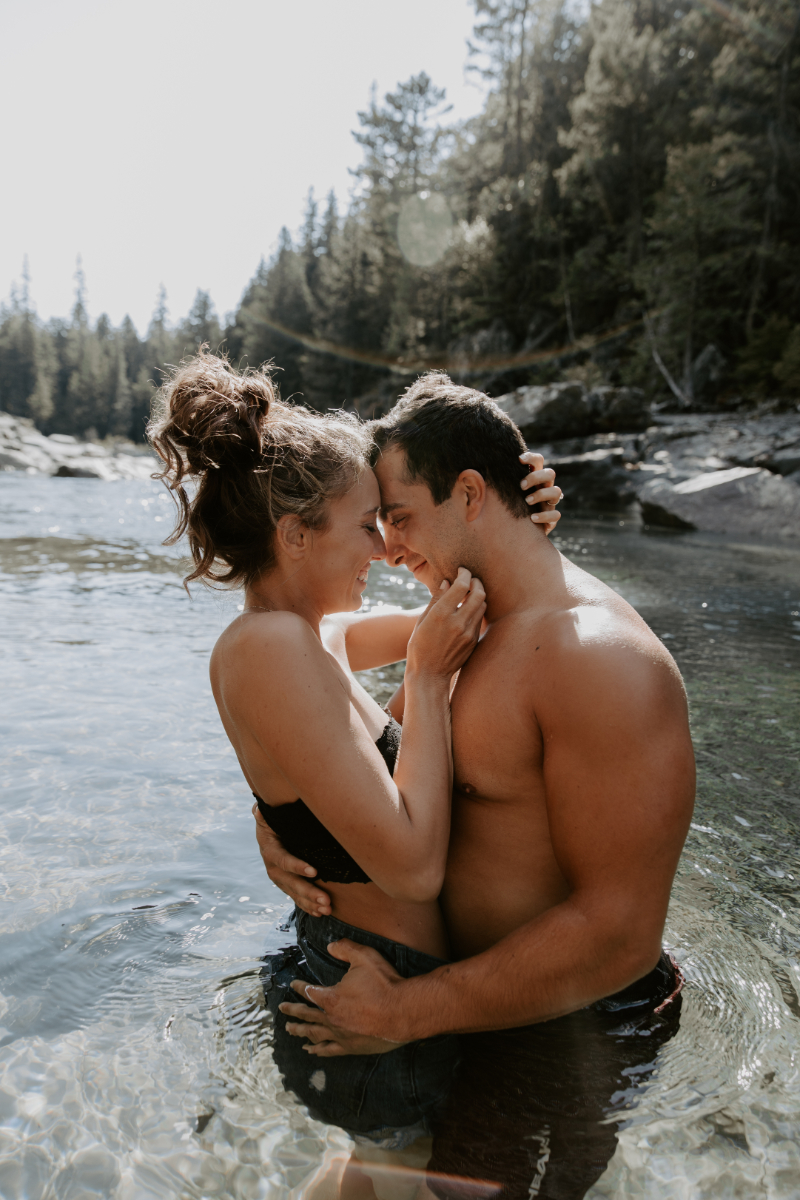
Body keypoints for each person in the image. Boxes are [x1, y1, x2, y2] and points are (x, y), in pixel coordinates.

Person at [259, 372, 696, 1199]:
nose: (386, 548)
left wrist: (406, 1012)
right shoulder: (456, 626)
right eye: (376, 523)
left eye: (399, 517)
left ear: (468, 493)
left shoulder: (600, 662)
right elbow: (366, 764)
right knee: (362, 1182)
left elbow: (620, 934)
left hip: (563, 1027)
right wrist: (278, 825)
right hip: (445, 994)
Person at [146, 351, 562, 1158]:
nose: (382, 549)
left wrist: (516, 523)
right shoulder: (269, 648)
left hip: (375, 980)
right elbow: (413, 870)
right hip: (373, 996)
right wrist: (426, 681)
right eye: (367, 525)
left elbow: (471, 612)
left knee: (371, 1179)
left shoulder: (312, 637)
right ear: (295, 535)